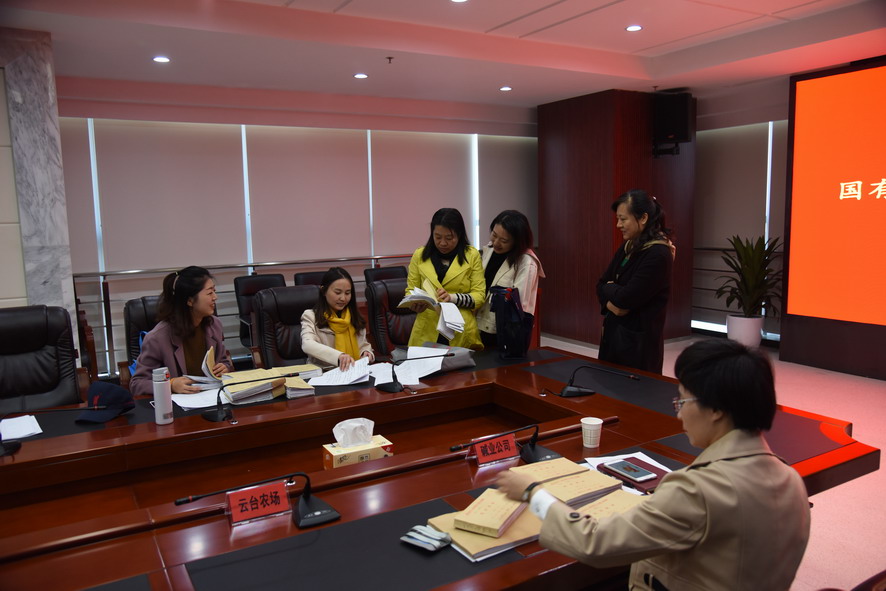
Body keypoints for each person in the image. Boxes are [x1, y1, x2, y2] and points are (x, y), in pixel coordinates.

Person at [496, 338, 811, 591]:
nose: (678, 413)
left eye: (682, 401)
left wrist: (533, 493)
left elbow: (597, 542)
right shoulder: (789, 478)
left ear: (716, 409)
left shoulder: (698, 489)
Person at [597, 189, 674, 373]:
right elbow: (600, 284)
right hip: (613, 337)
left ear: (643, 218)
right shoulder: (629, 245)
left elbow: (626, 298)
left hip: (638, 346)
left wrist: (610, 290)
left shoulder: (658, 253)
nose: (618, 225)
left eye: (623, 219)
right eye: (618, 219)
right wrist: (613, 305)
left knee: (633, 389)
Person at [130, 266, 233, 397]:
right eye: (209, 293)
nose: (215, 297)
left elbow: (223, 361)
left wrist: (224, 367)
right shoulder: (157, 338)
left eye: (214, 291)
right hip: (180, 403)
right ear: (190, 301)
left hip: (212, 396)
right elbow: (137, 384)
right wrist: (171, 384)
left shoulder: (214, 325)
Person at [405, 208, 485, 349]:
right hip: (427, 328)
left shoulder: (471, 255)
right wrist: (414, 303)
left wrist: (452, 298)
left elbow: (479, 296)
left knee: (460, 363)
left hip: (459, 328)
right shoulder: (420, 255)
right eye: (437, 237)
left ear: (459, 235)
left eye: (449, 238)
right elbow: (411, 290)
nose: (442, 243)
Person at [476, 210, 545, 349]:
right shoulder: (489, 250)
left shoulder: (526, 262)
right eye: (494, 235)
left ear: (518, 241)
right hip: (480, 325)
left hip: (504, 332)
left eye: (504, 240)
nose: (496, 243)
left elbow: (519, 305)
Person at [301, 267, 374, 370]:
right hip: (324, 372)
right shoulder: (311, 316)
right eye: (337, 292)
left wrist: (366, 353)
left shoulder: (353, 316)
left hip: (354, 371)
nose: (343, 298)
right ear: (323, 291)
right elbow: (307, 345)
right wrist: (339, 356)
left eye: (347, 293)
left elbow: (363, 344)